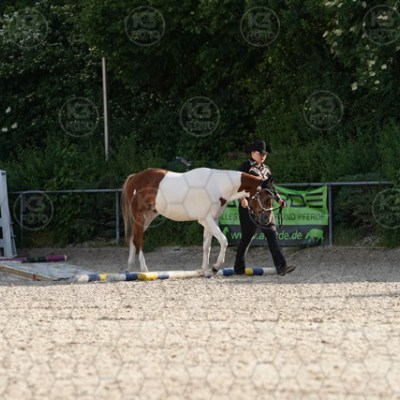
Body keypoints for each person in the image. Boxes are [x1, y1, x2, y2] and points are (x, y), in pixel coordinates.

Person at [234, 140, 296, 276]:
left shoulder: (266, 169)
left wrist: (278, 199)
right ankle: (238, 267)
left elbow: (271, 187)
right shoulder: (245, 167)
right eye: (260, 153)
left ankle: (281, 266)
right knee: (247, 238)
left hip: (265, 207)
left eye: (265, 154)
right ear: (252, 153)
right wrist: (242, 198)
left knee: (272, 233)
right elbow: (237, 184)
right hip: (249, 207)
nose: (263, 156)